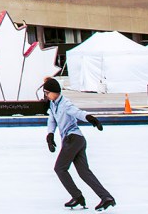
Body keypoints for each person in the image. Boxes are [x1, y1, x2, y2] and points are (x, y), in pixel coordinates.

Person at [43, 77, 116, 211]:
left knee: (60, 168)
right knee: (84, 172)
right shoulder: (53, 104)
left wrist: (91, 119)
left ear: (54, 92)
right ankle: (106, 197)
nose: (46, 95)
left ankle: (77, 196)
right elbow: (52, 120)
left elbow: (78, 113)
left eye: (47, 92)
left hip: (73, 139)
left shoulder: (65, 104)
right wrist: (50, 135)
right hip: (76, 140)